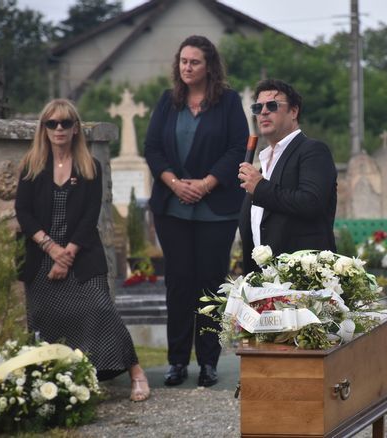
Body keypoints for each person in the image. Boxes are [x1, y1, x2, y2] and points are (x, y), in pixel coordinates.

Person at [15, 98, 150, 402]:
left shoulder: (90, 167)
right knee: (44, 318)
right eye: (52, 123)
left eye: (65, 123)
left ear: (75, 128)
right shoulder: (31, 166)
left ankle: (136, 372)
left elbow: (91, 215)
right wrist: (51, 249)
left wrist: (67, 255)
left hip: (81, 252)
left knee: (101, 309)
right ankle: (55, 382)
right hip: (41, 256)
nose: (59, 129)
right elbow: (23, 211)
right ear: (44, 129)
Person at [144, 35, 248, 387]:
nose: (187, 68)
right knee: (178, 283)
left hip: (215, 208)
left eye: (195, 62)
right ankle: (176, 362)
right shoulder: (167, 101)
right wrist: (175, 183)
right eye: (183, 61)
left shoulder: (229, 102)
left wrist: (205, 183)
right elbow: (153, 148)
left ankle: (208, 362)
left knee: (211, 285)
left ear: (209, 67)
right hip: (171, 208)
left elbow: (237, 149)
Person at [238, 79, 338, 274]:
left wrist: (260, 188)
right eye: (258, 107)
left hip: (304, 279)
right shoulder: (262, 162)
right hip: (263, 279)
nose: (264, 112)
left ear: (294, 111)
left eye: (272, 105)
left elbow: (311, 202)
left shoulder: (313, 151)